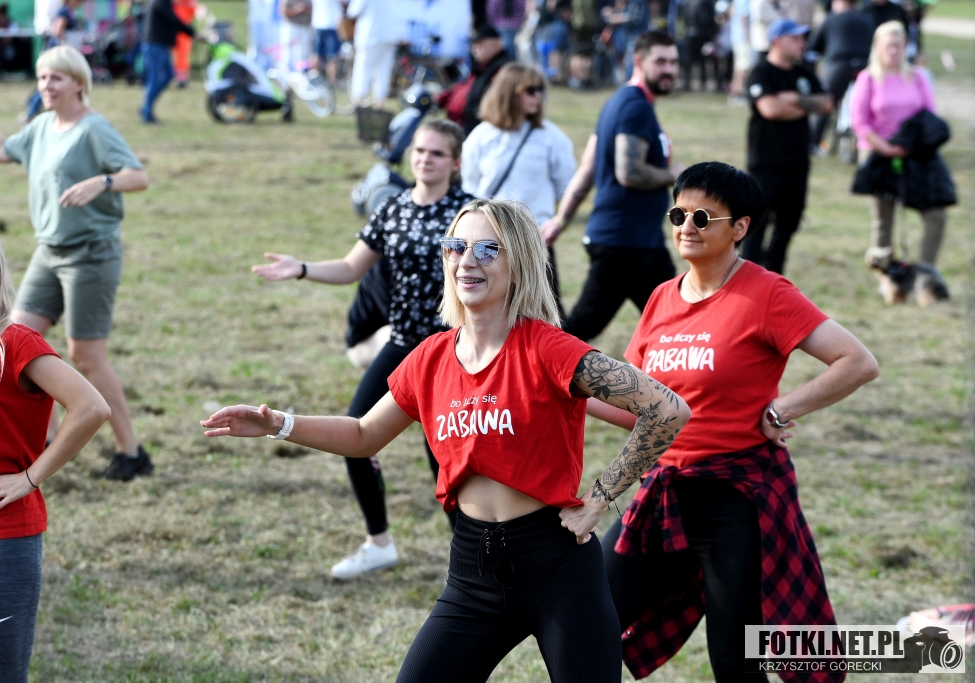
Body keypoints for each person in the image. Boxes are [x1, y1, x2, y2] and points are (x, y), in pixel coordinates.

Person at [203, 198, 691, 683]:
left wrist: (601, 497)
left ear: (519, 262)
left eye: (487, 249)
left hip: (558, 567)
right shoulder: (430, 357)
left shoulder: (548, 348)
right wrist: (279, 423)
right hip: (473, 571)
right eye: (456, 246)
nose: (467, 260)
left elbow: (667, 409)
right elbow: (363, 434)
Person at [592, 161, 879, 682]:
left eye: (703, 217)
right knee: (592, 619)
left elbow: (857, 361)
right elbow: (639, 410)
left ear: (740, 227)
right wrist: (566, 395)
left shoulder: (766, 293)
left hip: (737, 501)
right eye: (678, 214)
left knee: (735, 660)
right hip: (665, 491)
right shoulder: (661, 297)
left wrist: (782, 409)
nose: (686, 226)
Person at [251, 120, 474, 579]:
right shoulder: (393, 207)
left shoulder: (468, 213)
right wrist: (301, 268)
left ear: (455, 162)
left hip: (451, 351)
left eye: (436, 153)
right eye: (419, 150)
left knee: (448, 460)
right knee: (354, 435)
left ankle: (474, 559)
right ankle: (378, 543)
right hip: (401, 346)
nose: (425, 159)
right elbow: (353, 267)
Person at [0, 46, 154, 482]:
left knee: (86, 355)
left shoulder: (94, 129)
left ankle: (131, 452)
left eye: (56, 78)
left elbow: (139, 176)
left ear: (79, 83)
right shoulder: (41, 126)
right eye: (42, 77)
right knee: (12, 338)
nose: (46, 85)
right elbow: (0, 150)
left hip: (91, 252)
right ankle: (47, 442)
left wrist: (102, 182)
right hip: (49, 250)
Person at [0, 211, 111, 683]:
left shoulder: (15, 343)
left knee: (2, 674)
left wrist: (29, 478)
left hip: (0, 537)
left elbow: (91, 407)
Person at [542, 30, 684, 343]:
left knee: (675, 327)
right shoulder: (635, 107)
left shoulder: (620, 101)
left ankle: (669, 375)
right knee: (578, 332)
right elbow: (629, 172)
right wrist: (673, 174)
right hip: (623, 245)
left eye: (673, 62)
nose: (669, 70)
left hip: (643, 243)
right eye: (660, 62)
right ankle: (530, 367)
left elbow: (588, 167)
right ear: (639, 61)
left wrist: (561, 220)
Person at [850, 20, 950, 306]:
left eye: (898, 45)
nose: (893, 51)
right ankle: (888, 279)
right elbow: (860, 122)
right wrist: (886, 148)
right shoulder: (868, 78)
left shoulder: (917, 77)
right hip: (878, 154)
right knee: (884, 219)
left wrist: (909, 146)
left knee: (936, 215)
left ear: (905, 46)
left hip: (913, 154)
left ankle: (925, 276)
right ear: (878, 47)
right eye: (888, 46)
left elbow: (930, 115)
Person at [462, 62, 575, 312]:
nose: (538, 97)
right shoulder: (482, 136)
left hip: (534, 239)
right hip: (488, 240)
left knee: (544, 311)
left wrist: (551, 219)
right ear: (510, 92)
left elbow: (567, 185)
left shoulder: (550, 136)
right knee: (491, 307)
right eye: (531, 90)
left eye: (541, 91)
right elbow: (470, 187)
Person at [741, 17, 831, 275]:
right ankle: (747, 279)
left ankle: (774, 277)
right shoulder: (761, 72)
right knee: (756, 225)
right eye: (795, 38)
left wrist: (793, 98)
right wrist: (805, 106)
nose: (802, 43)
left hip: (798, 162)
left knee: (788, 224)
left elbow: (826, 104)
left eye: (803, 38)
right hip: (765, 162)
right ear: (777, 41)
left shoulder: (803, 73)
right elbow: (770, 109)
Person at [807, 0, 874, 150]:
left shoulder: (832, 19)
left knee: (826, 102)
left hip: (840, 65)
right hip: (865, 66)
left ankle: (813, 141)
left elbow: (814, 46)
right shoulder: (867, 19)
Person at [435, 25, 510, 135]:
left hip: (480, 129)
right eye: (473, 45)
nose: (475, 48)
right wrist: (441, 98)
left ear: (496, 44)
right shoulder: (482, 68)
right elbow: (462, 88)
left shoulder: (503, 70)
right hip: (462, 126)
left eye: (480, 44)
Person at [23, 0, 81, 122]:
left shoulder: (66, 11)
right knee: (50, 85)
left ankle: (31, 104)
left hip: (57, 52)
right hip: (57, 54)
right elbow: (57, 31)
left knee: (51, 84)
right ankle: (30, 111)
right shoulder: (64, 11)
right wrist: (68, 38)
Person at [139, 0, 195, 123]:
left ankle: (146, 106)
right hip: (155, 45)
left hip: (160, 45)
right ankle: (146, 112)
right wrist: (192, 33)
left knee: (168, 75)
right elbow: (173, 19)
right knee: (155, 79)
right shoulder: (161, 2)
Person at [346, 0, 396, 108]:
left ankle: (359, 100)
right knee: (383, 70)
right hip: (390, 36)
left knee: (363, 68)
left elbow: (352, 11)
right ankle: (379, 102)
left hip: (371, 35)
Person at [311, 0, 343, 85]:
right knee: (332, 56)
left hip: (318, 23)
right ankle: (331, 82)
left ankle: (314, 80)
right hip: (332, 24)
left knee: (316, 54)